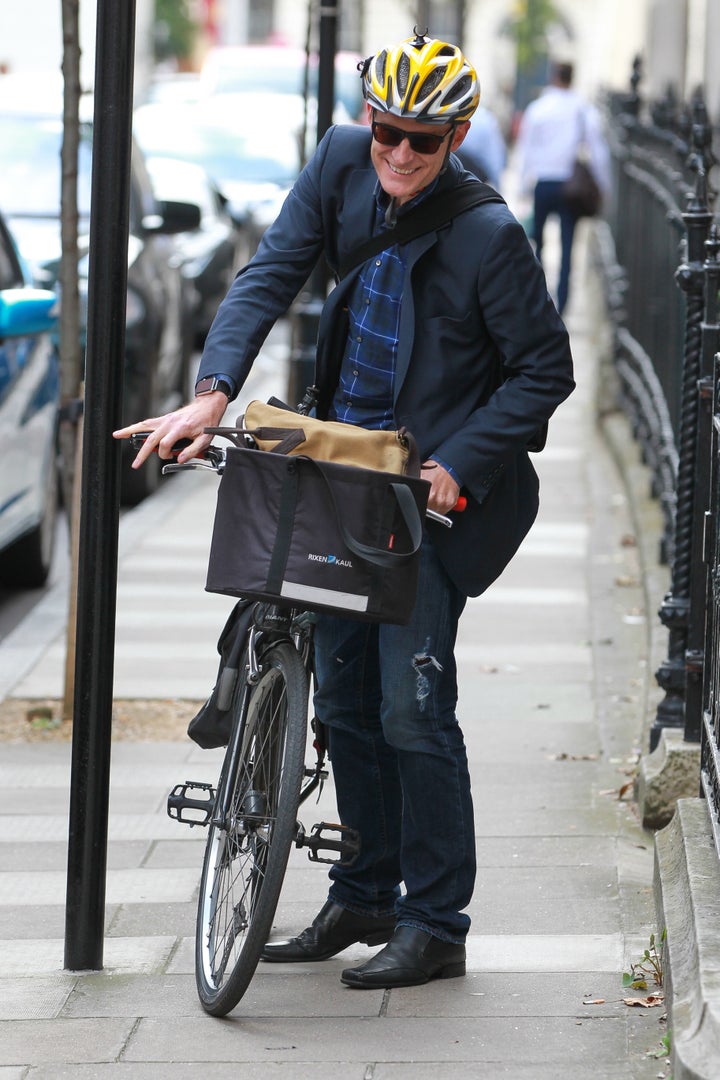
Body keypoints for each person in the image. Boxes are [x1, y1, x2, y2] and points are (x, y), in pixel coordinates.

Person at [114, 31, 575, 990]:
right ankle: (365, 893)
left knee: (413, 710)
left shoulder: (491, 235)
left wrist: (461, 460)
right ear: (366, 119)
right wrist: (213, 390)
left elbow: (544, 371)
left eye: (424, 139)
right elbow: (268, 275)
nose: (400, 154)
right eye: (386, 132)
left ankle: (437, 924)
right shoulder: (335, 164)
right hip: (335, 473)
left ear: (458, 136)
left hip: (431, 497)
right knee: (350, 704)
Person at [516, 60, 611, 315]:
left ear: (552, 77)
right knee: (568, 245)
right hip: (570, 186)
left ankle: (538, 298)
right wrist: (603, 185)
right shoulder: (581, 109)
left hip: (543, 182)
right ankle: (563, 302)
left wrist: (523, 186)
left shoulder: (538, 108)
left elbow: (526, 149)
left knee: (538, 241)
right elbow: (597, 150)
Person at [455, 103, 507, 189]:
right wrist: (497, 185)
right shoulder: (486, 118)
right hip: (476, 180)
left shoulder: (452, 116)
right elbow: (495, 157)